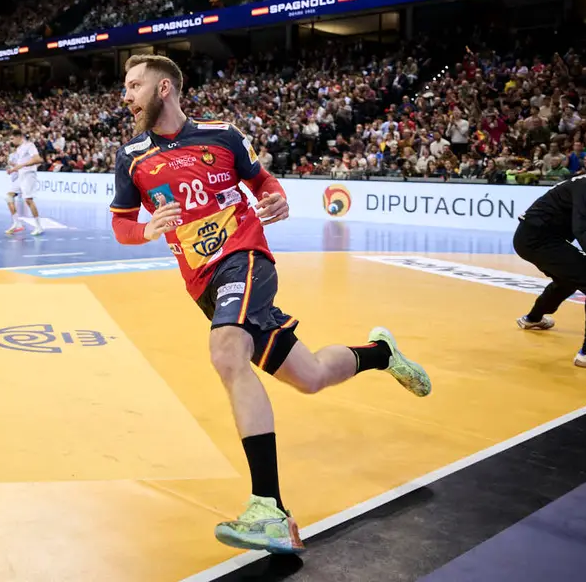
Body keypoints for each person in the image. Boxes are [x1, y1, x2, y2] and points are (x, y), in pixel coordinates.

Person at [109, 54, 431, 554]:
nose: (125, 96)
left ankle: (270, 509)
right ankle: (382, 353)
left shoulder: (224, 135)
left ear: (165, 88)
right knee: (311, 376)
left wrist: (277, 197)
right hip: (202, 283)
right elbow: (121, 225)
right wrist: (146, 230)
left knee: (226, 353)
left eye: (134, 86)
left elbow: (263, 184)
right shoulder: (130, 156)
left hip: (244, 256)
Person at [513, 169, 586, 372]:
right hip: (538, 240)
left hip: (536, 238)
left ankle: (532, 319)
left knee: (568, 279)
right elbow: (582, 229)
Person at [4, 128, 44, 235]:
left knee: (28, 200)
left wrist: (22, 165)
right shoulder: (19, 149)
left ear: (19, 137)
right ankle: (17, 223)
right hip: (20, 175)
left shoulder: (30, 145)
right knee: (8, 197)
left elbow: (38, 159)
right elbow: (20, 163)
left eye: (12, 139)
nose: (11, 141)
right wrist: (13, 167)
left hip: (29, 175)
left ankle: (39, 226)